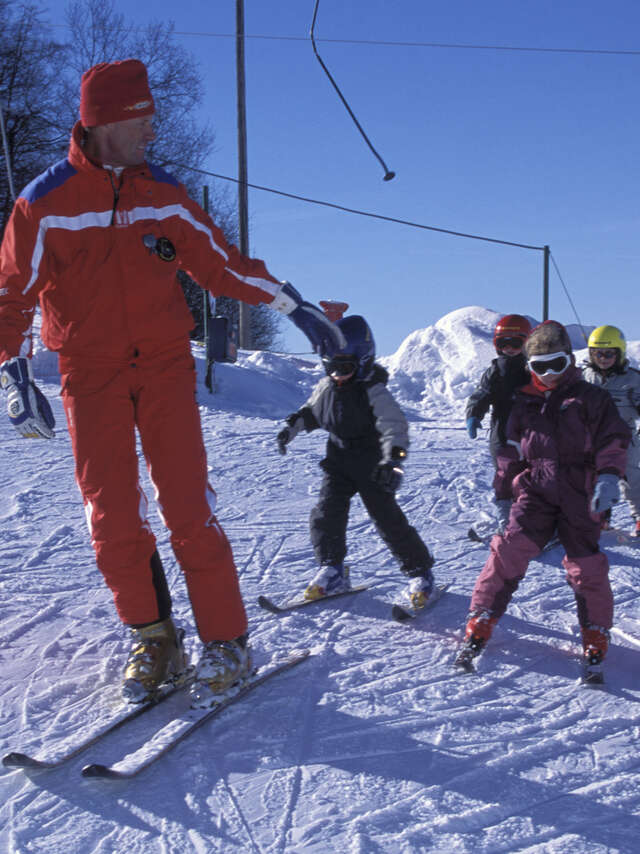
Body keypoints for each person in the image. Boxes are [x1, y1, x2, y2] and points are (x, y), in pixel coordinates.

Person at [0, 59, 344, 709]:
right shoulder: (43, 205)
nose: (152, 131)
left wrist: (293, 307)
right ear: (108, 121)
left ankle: (225, 640)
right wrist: (16, 372)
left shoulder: (164, 193)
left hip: (162, 366)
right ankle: (153, 636)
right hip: (88, 373)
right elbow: (10, 295)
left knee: (187, 506)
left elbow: (221, 265)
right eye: (143, 120)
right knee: (110, 517)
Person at [456, 321, 630, 674]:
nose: (549, 374)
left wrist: (609, 477)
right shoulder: (524, 402)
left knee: (586, 563)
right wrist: (505, 495)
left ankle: (595, 631)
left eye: (557, 364)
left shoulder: (591, 398)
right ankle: (482, 617)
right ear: (529, 367)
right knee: (508, 548)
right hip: (535, 489)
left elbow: (613, 439)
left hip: (580, 491)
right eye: (540, 366)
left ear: (569, 360)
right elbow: (510, 451)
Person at [276, 315, 435, 610]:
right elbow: (311, 412)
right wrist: (291, 429)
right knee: (326, 513)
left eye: (345, 367)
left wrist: (394, 463)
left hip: (372, 464)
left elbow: (395, 428)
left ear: (362, 361)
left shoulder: (373, 390)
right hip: (337, 461)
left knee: (387, 520)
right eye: (331, 366)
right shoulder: (326, 387)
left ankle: (420, 573)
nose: (336, 374)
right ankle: (332, 568)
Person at [465, 314, 531, 533]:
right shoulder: (494, 372)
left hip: (530, 432)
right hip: (502, 431)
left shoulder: (532, 371)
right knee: (504, 477)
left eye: (516, 343)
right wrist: (474, 414)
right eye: (504, 343)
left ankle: (535, 518)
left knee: (531, 476)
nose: (510, 348)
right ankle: (507, 520)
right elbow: (481, 395)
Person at [582, 325, 640, 536]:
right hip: (592, 438)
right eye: (598, 353)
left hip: (624, 439)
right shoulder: (584, 376)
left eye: (609, 353)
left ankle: (639, 517)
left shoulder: (633, 379)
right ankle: (600, 517)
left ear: (620, 353)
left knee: (630, 478)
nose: (603, 358)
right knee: (593, 478)